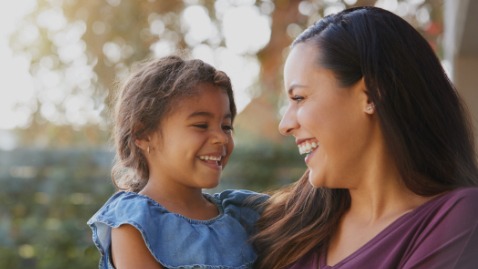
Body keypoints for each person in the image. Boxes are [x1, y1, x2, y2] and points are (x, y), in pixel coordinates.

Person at [252, 6, 478, 269]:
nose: (285, 124)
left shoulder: (458, 218)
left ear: (371, 94)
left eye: (299, 98)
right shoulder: (281, 221)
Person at [87, 55, 266, 269]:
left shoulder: (244, 213)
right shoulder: (135, 223)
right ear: (143, 135)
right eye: (201, 125)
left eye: (226, 126)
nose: (221, 137)